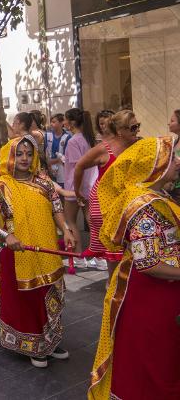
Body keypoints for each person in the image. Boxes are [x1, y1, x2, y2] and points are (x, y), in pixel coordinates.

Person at [89, 136, 180, 400]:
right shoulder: (143, 208)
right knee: (152, 359)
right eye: (171, 157)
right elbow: (148, 263)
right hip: (150, 295)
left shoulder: (159, 197)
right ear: (155, 165)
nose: (176, 162)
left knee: (163, 358)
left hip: (163, 292)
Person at [0, 136, 75, 368]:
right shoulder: (0, 187)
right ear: (10, 156)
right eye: (20, 153)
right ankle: (32, 345)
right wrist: (6, 235)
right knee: (27, 299)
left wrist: (66, 229)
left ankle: (50, 342)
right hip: (17, 252)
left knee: (48, 294)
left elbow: (56, 208)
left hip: (47, 250)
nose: (25, 158)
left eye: (29, 154)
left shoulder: (43, 182)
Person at [74, 110, 140, 274]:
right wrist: (78, 192)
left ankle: (122, 287)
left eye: (138, 126)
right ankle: (113, 288)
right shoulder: (104, 148)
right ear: (120, 131)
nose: (137, 130)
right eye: (133, 128)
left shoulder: (138, 145)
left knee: (130, 249)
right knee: (114, 252)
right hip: (104, 204)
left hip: (127, 202)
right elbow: (79, 166)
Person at [62, 108, 97, 268]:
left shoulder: (74, 141)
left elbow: (77, 167)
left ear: (72, 122)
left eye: (65, 119)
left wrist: (76, 190)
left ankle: (78, 256)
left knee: (70, 220)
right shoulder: (88, 138)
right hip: (89, 185)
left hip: (75, 187)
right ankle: (99, 254)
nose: (64, 123)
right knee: (92, 221)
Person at [44, 114, 71, 187]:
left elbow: (66, 157)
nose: (51, 124)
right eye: (51, 122)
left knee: (61, 190)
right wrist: (49, 166)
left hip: (62, 170)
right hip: (50, 169)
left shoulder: (67, 137)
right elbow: (45, 152)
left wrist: (55, 161)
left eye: (53, 122)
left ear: (61, 123)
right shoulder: (47, 135)